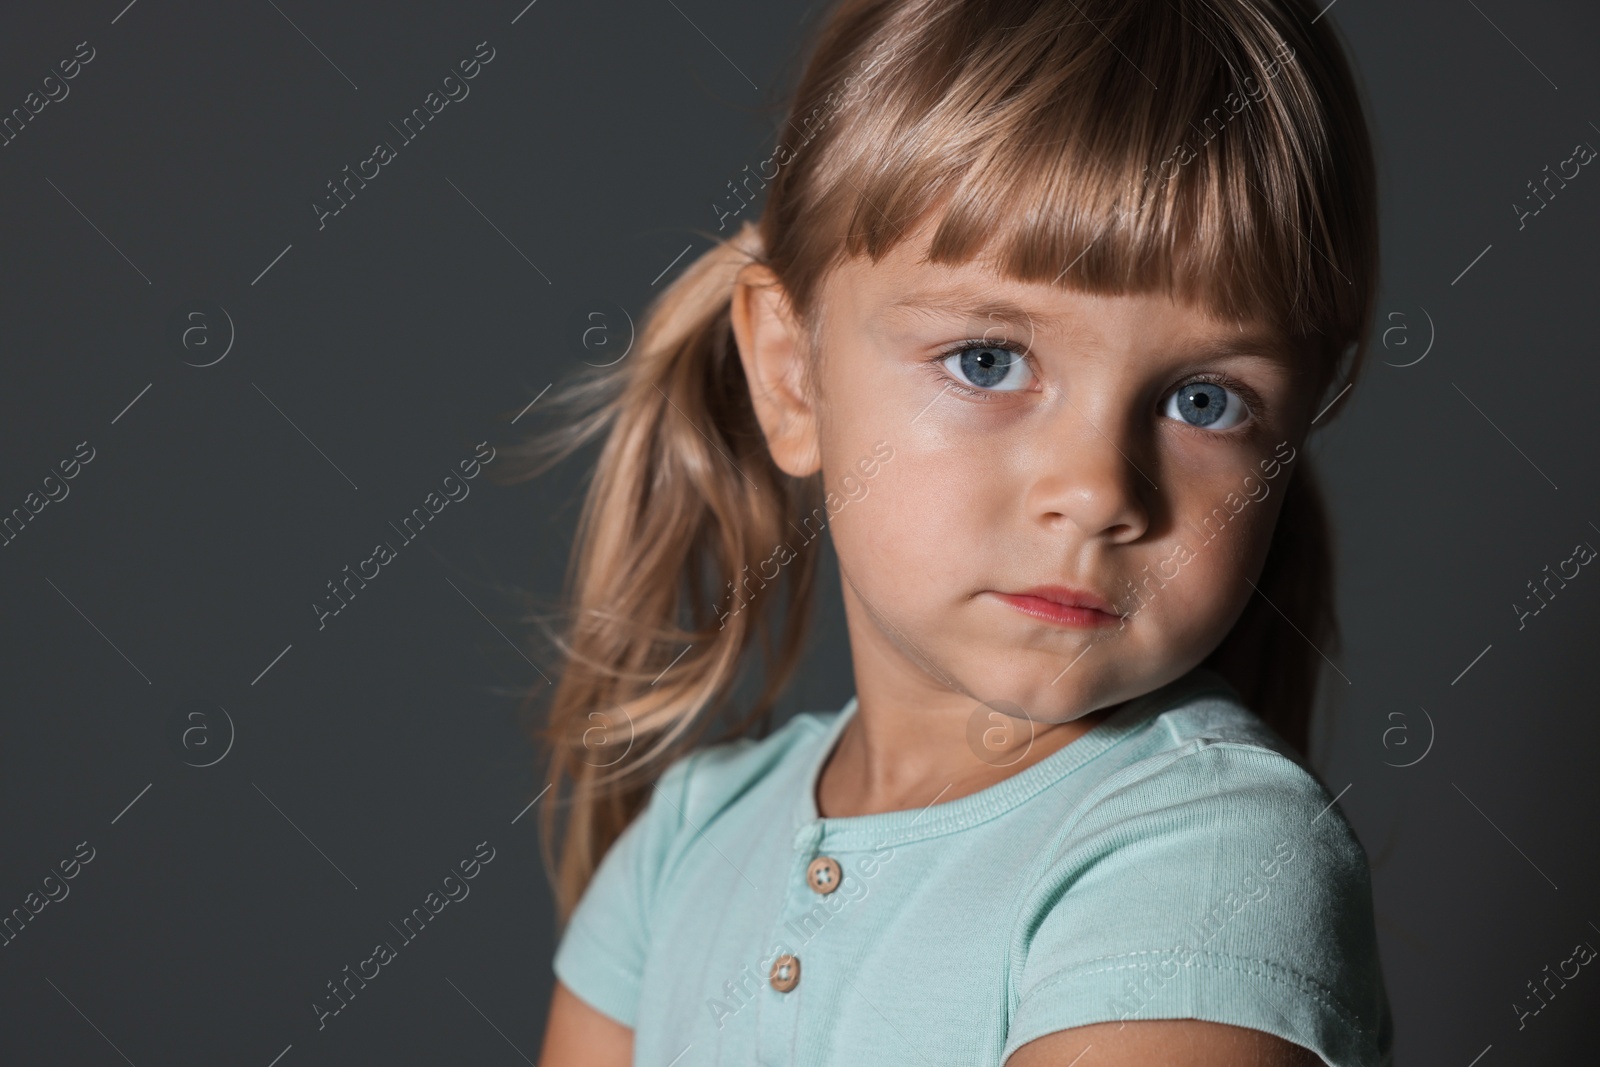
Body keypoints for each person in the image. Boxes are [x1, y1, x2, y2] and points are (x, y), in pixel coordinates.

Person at [507, 0, 1392, 1062]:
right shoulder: (681, 851)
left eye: (1202, 400)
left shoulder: (1209, 865)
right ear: (792, 377)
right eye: (986, 360)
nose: (1096, 489)